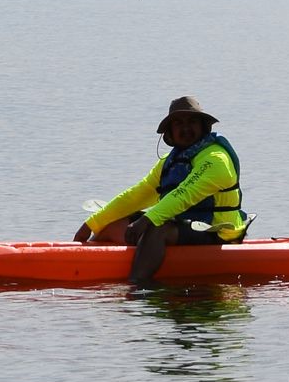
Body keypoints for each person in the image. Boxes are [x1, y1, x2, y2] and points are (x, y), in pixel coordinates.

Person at [75, 94, 248, 285]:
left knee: (157, 227)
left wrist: (145, 221)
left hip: (218, 233)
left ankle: (137, 286)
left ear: (203, 127)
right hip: (185, 226)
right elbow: (138, 194)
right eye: (178, 123)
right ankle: (82, 267)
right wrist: (93, 223)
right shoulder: (169, 161)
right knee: (112, 225)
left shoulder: (216, 159)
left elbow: (183, 196)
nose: (185, 128)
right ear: (170, 132)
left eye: (192, 122)